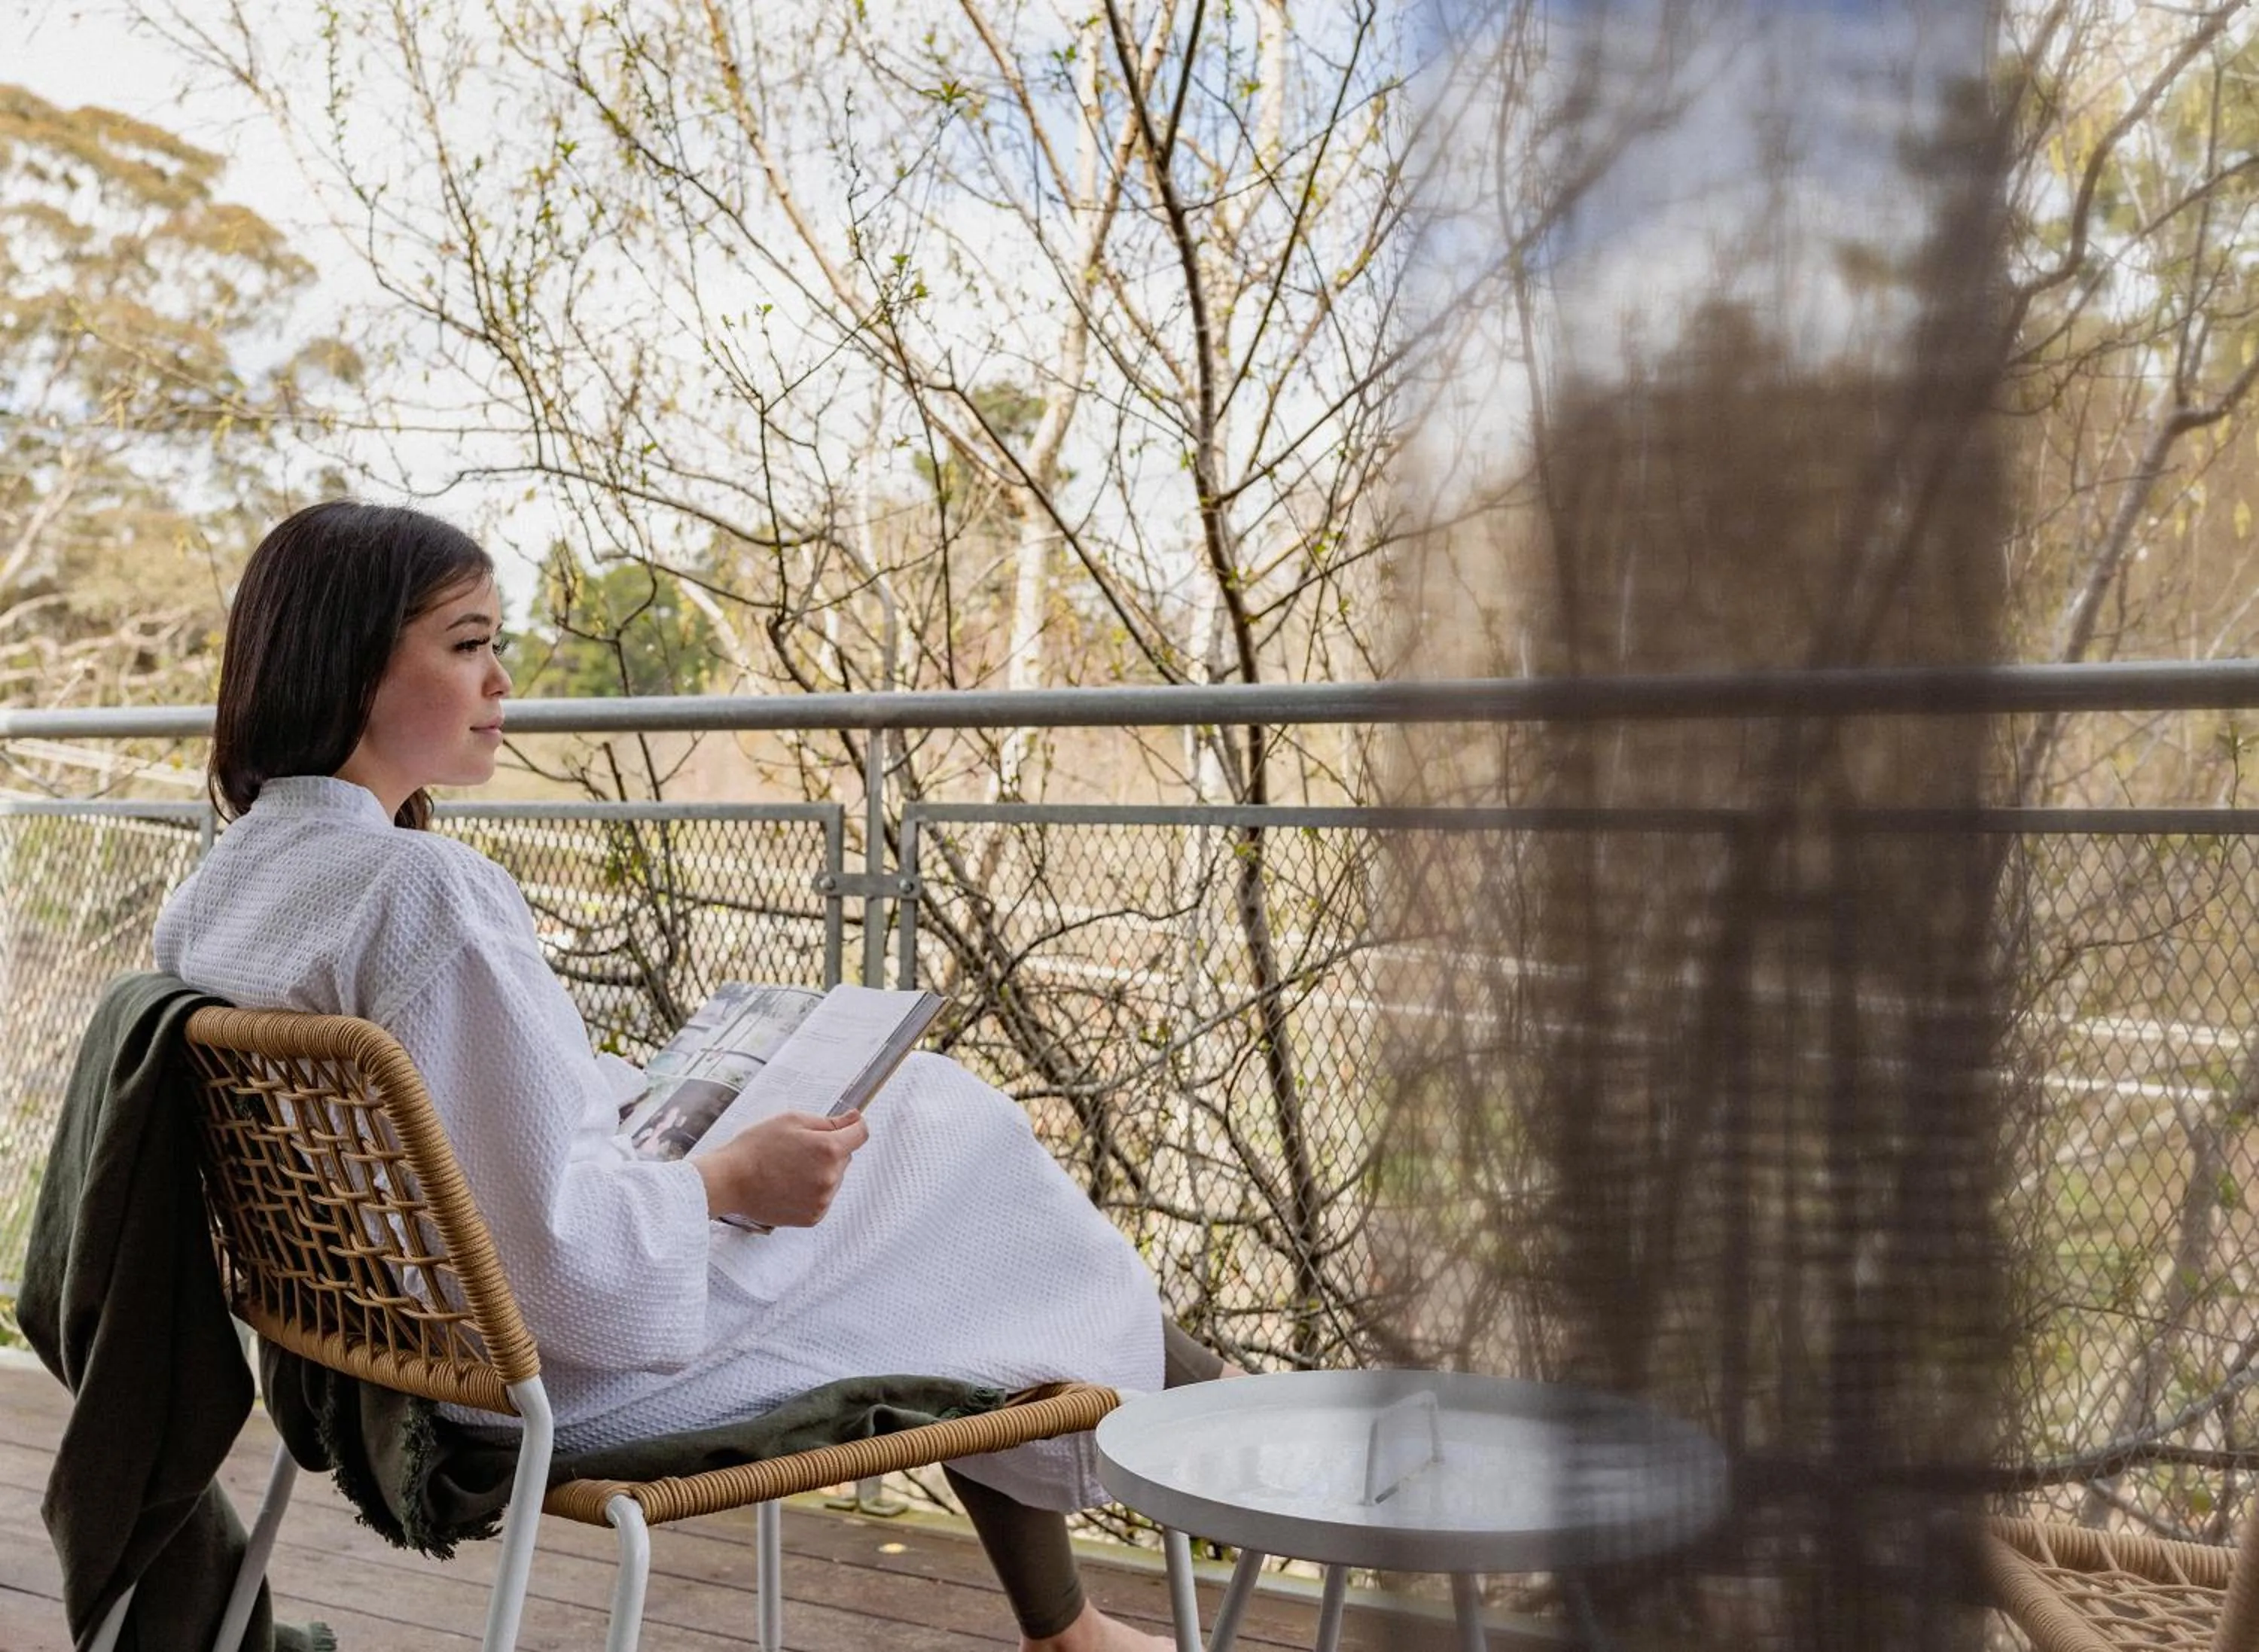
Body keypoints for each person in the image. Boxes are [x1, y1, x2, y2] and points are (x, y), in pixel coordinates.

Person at [154, 500, 1227, 1652]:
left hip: (389, 1346)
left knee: (951, 1176)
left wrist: (643, 1108)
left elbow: (460, 1132)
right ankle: (1250, 1440)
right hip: (545, 1373)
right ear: (348, 663)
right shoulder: (426, 892)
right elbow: (574, 1268)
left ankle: (1124, 1559)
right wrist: (725, 1182)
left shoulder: (222, 891)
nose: (503, 679)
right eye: (467, 644)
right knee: (946, 1129)